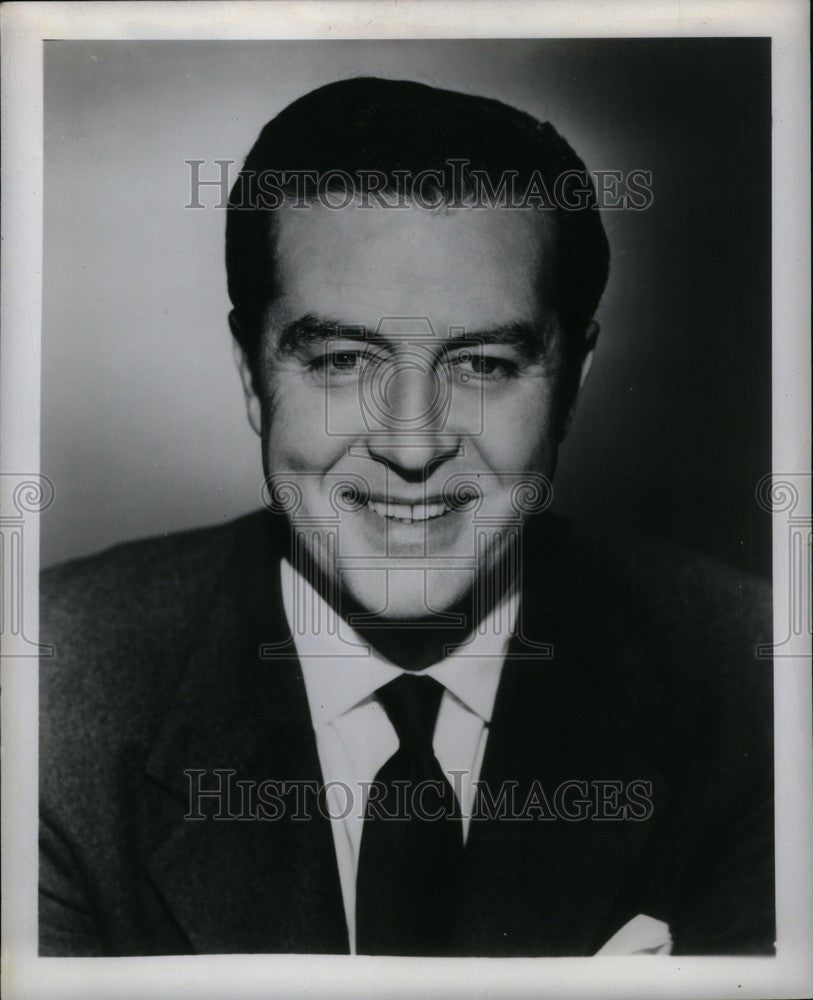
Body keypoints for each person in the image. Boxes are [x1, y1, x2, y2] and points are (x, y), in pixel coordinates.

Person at [39, 77, 774, 958]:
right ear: (251, 376)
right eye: (345, 360)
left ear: (572, 385)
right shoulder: (47, 696)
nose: (412, 445)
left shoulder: (754, 691)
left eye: (486, 366)